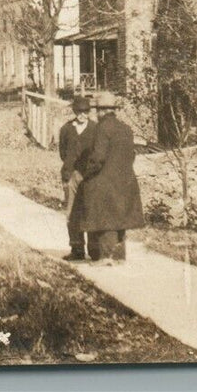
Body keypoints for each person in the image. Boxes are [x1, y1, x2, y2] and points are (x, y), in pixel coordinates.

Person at [77, 91, 145, 265]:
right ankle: (119, 256)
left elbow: (98, 157)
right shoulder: (126, 129)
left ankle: (106, 257)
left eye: (96, 111)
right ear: (113, 110)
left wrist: (87, 174)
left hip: (105, 181)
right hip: (125, 180)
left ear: (100, 111)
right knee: (120, 217)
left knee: (105, 217)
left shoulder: (102, 128)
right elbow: (131, 155)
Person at [58, 96, 94, 261]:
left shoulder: (95, 129)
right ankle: (77, 248)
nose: (82, 115)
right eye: (79, 111)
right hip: (71, 174)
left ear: (89, 112)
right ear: (74, 111)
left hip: (90, 176)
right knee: (72, 212)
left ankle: (95, 250)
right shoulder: (66, 129)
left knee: (91, 210)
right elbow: (63, 153)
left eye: (85, 111)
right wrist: (70, 170)